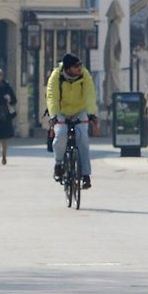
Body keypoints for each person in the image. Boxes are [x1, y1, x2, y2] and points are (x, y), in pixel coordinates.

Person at [43, 52, 97, 191]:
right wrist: (54, 115)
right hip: (61, 111)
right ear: (67, 69)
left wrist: (91, 113)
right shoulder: (56, 76)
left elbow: (89, 94)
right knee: (61, 134)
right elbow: (51, 96)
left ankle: (85, 175)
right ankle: (59, 164)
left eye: (80, 65)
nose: (79, 68)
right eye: (76, 66)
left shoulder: (85, 75)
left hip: (80, 110)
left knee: (83, 138)